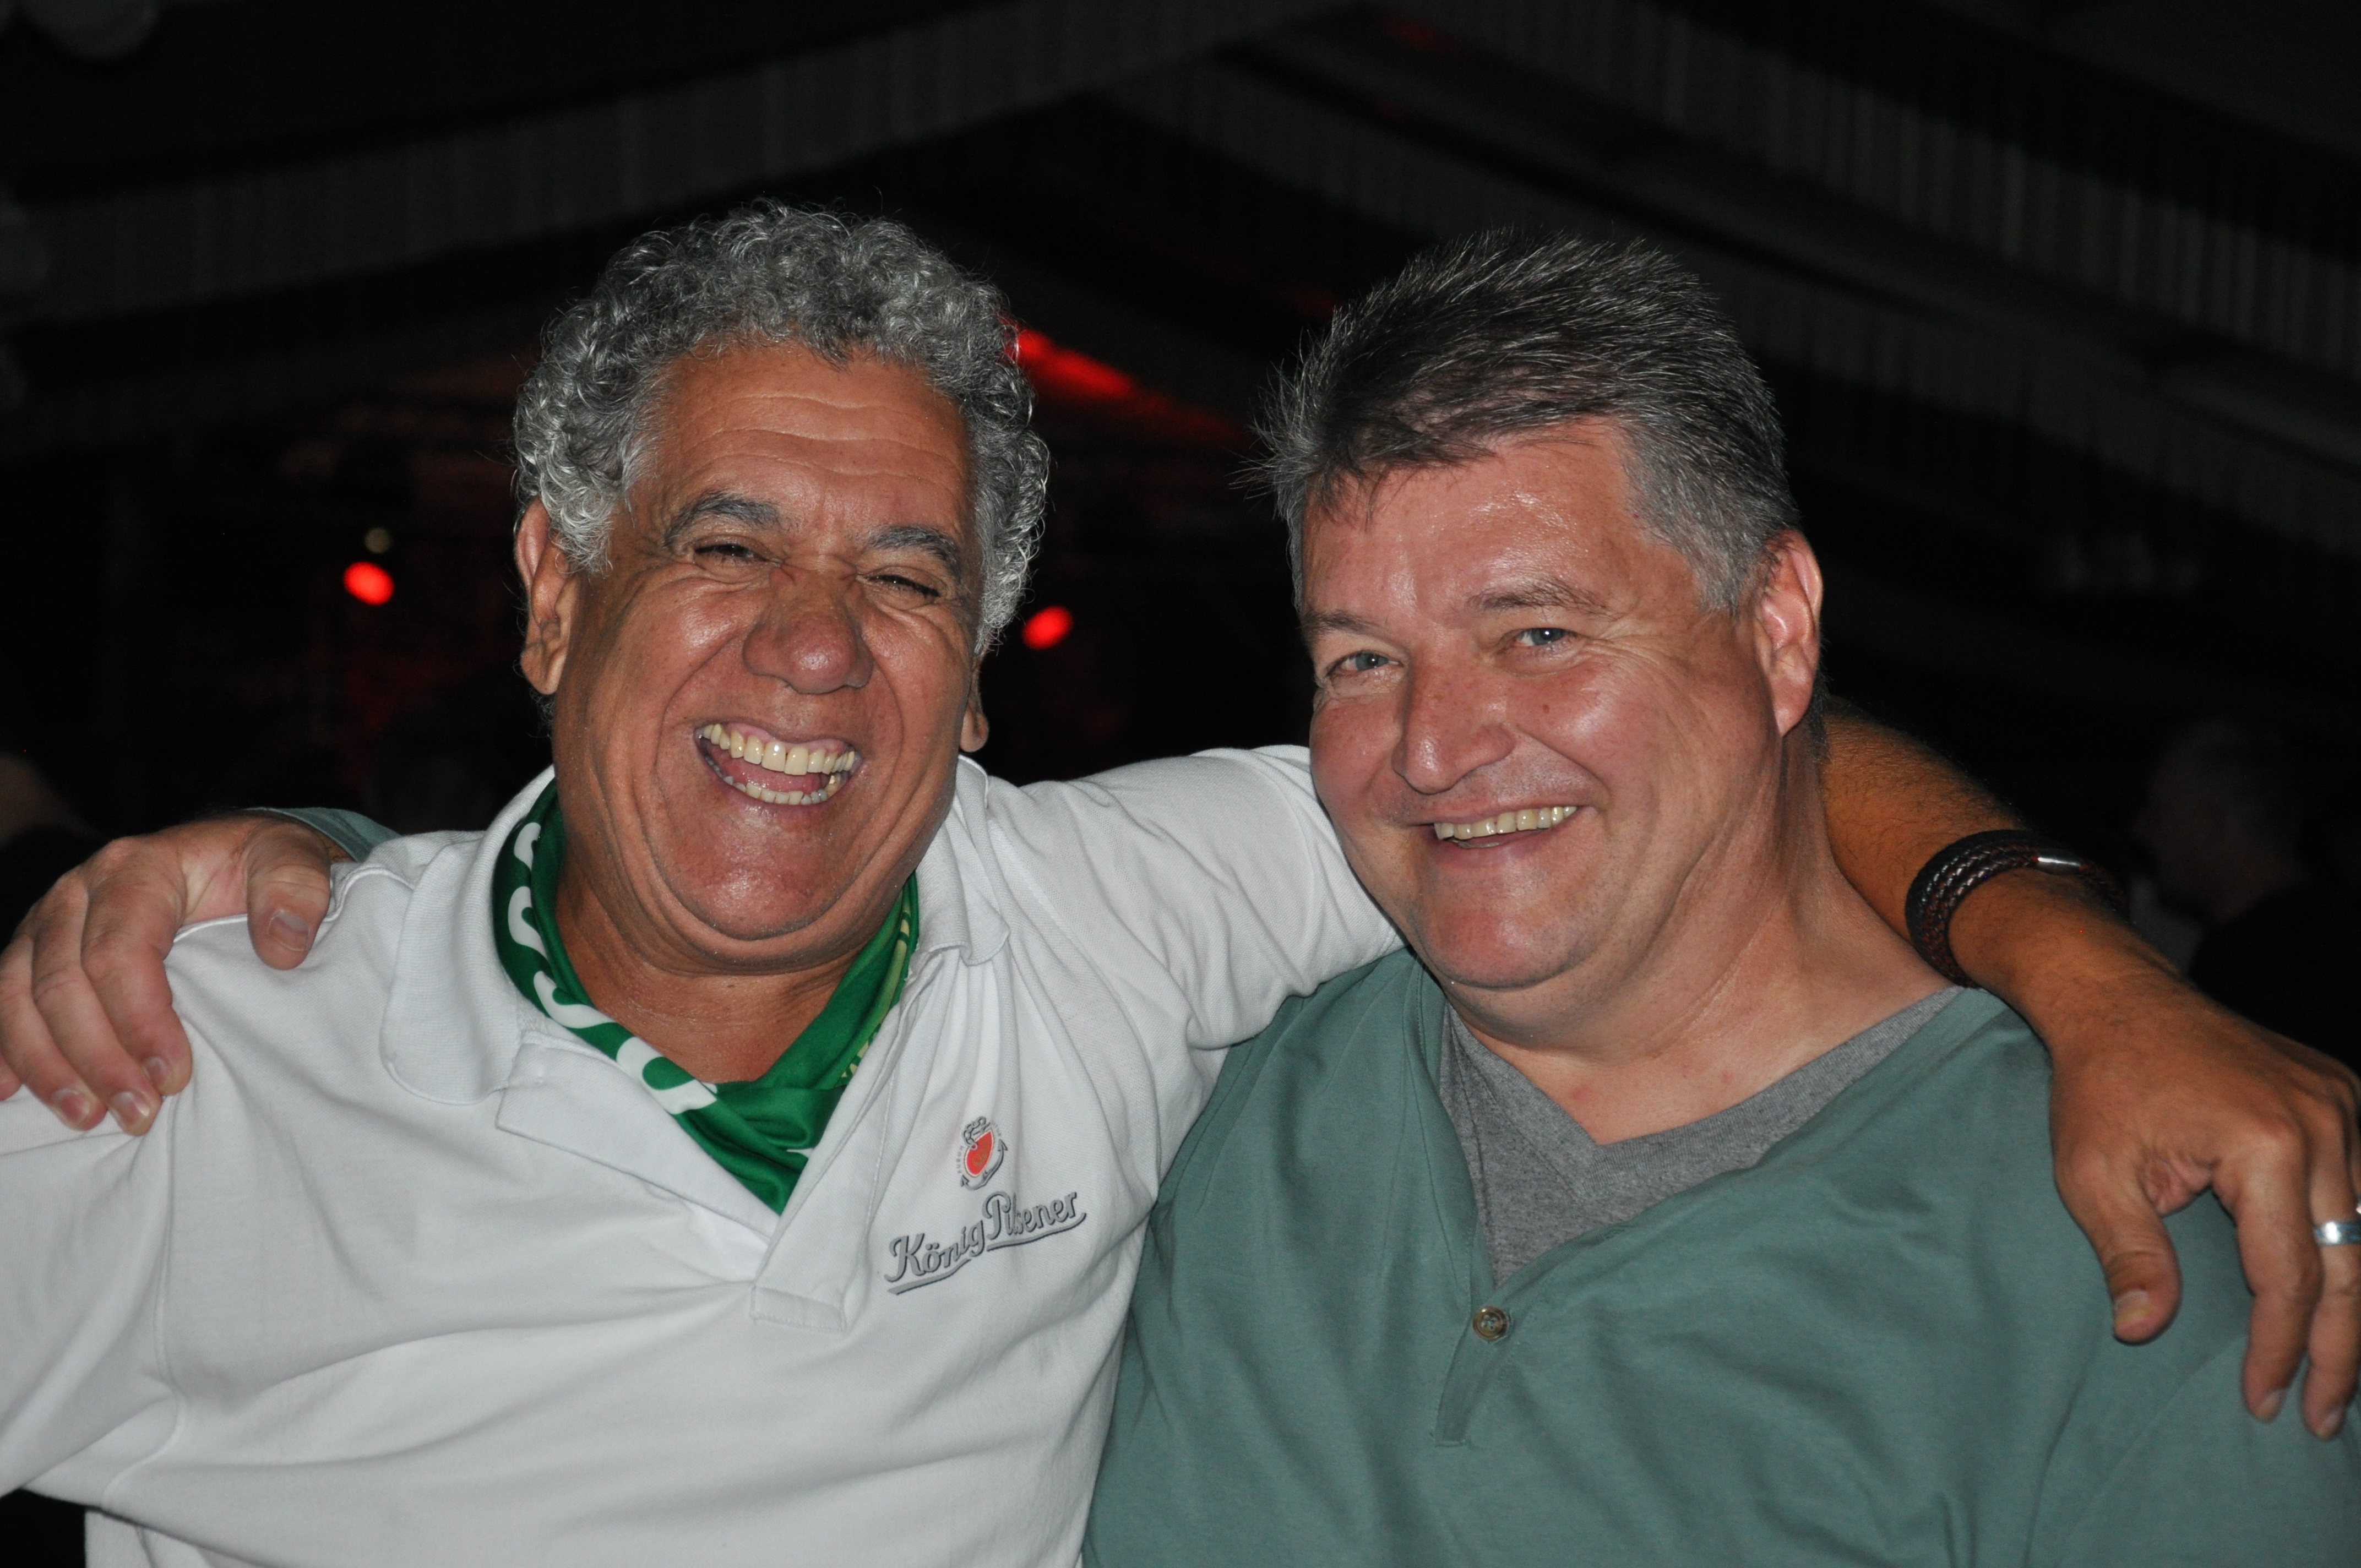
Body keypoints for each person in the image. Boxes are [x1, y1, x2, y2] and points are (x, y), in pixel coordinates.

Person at [0, 209, 2353, 1564]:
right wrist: (304, 876)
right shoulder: (193, 1052)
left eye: (902, 577)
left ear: (976, 672)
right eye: (722, 546)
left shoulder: (1116, 935)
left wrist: (2072, 957)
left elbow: (1729, 765)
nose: (808, 651)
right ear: (547, 589)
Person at [1085, 232, 2361, 1565]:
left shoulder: (2122, 1243)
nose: (1428, 747)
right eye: (1359, 659)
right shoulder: (1215, 1083)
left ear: (1775, 629)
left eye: (1536, 633)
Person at [2137, 720, 2361, 1072]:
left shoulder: (2253, 963)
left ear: (2210, 822)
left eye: (2158, 810)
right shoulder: (2332, 932)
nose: (2143, 830)